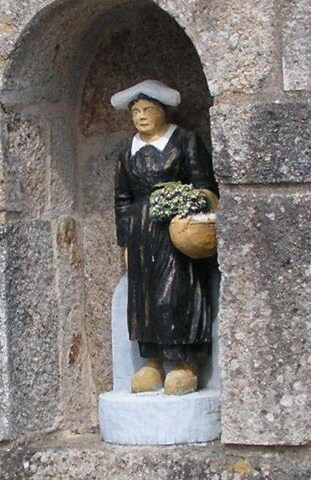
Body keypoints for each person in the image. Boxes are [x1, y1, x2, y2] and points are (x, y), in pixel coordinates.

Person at [111, 80, 218, 395]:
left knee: (176, 293)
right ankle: (152, 361)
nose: (141, 116)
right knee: (144, 297)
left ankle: (186, 364)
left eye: (148, 110)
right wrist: (125, 241)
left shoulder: (184, 141)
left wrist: (188, 203)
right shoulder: (127, 151)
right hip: (141, 232)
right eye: (136, 111)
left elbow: (205, 185)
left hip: (175, 230)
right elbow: (122, 199)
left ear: (162, 110)